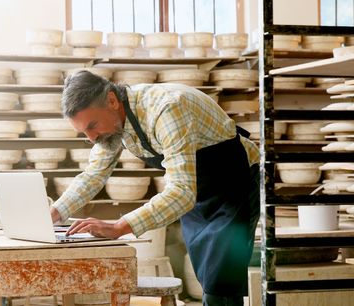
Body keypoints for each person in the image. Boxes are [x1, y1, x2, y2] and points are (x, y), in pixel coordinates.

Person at [49, 70, 260, 306]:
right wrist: (54, 214)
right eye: (84, 132)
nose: (91, 138)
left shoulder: (166, 108)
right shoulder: (113, 125)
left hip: (233, 184)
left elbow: (181, 192)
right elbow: (93, 175)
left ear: (111, 100)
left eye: (93, 125)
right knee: (207, 278)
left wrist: (120, 226)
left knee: (221, 283)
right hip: (196, 189)